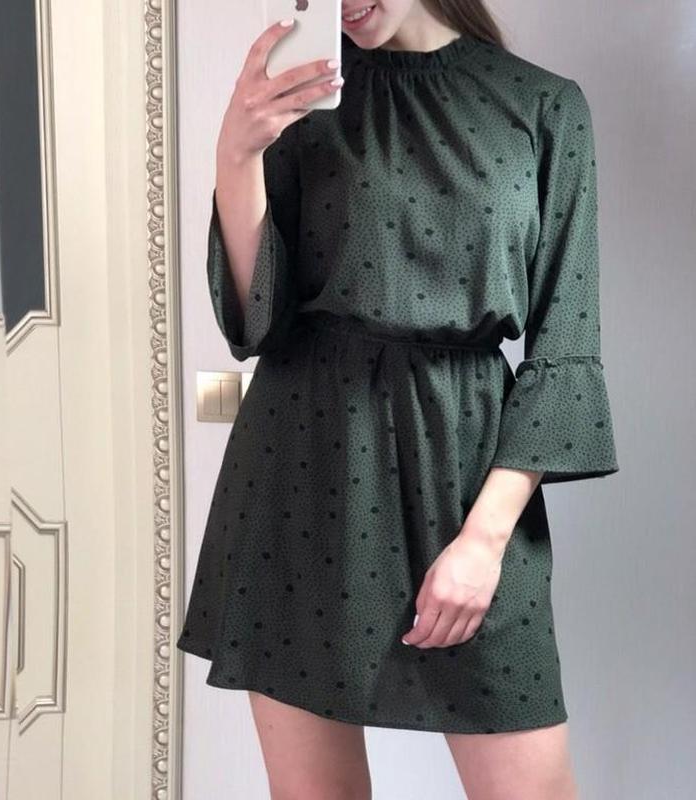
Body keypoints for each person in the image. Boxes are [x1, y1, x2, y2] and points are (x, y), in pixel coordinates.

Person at [177, 1, 620, 797]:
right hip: (302, 469)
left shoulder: (544, 105)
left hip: (466, 484)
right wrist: (235, 156)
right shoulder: (306, 97)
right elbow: (254, 319)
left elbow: (566, 347)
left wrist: (484, 543)